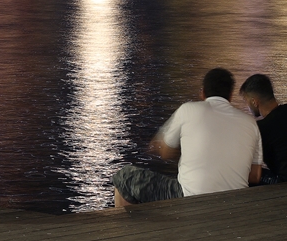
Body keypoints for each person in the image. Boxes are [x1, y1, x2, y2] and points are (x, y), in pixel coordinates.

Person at [112, 68, 262, 206]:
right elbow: (255, 176)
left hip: (189, 199)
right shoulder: (251, 123)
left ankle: (125, 232)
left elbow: (165, 152)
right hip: (235, 205)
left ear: (202, 93)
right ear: (230, 95)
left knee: (125, 177)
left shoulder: (188, 109)